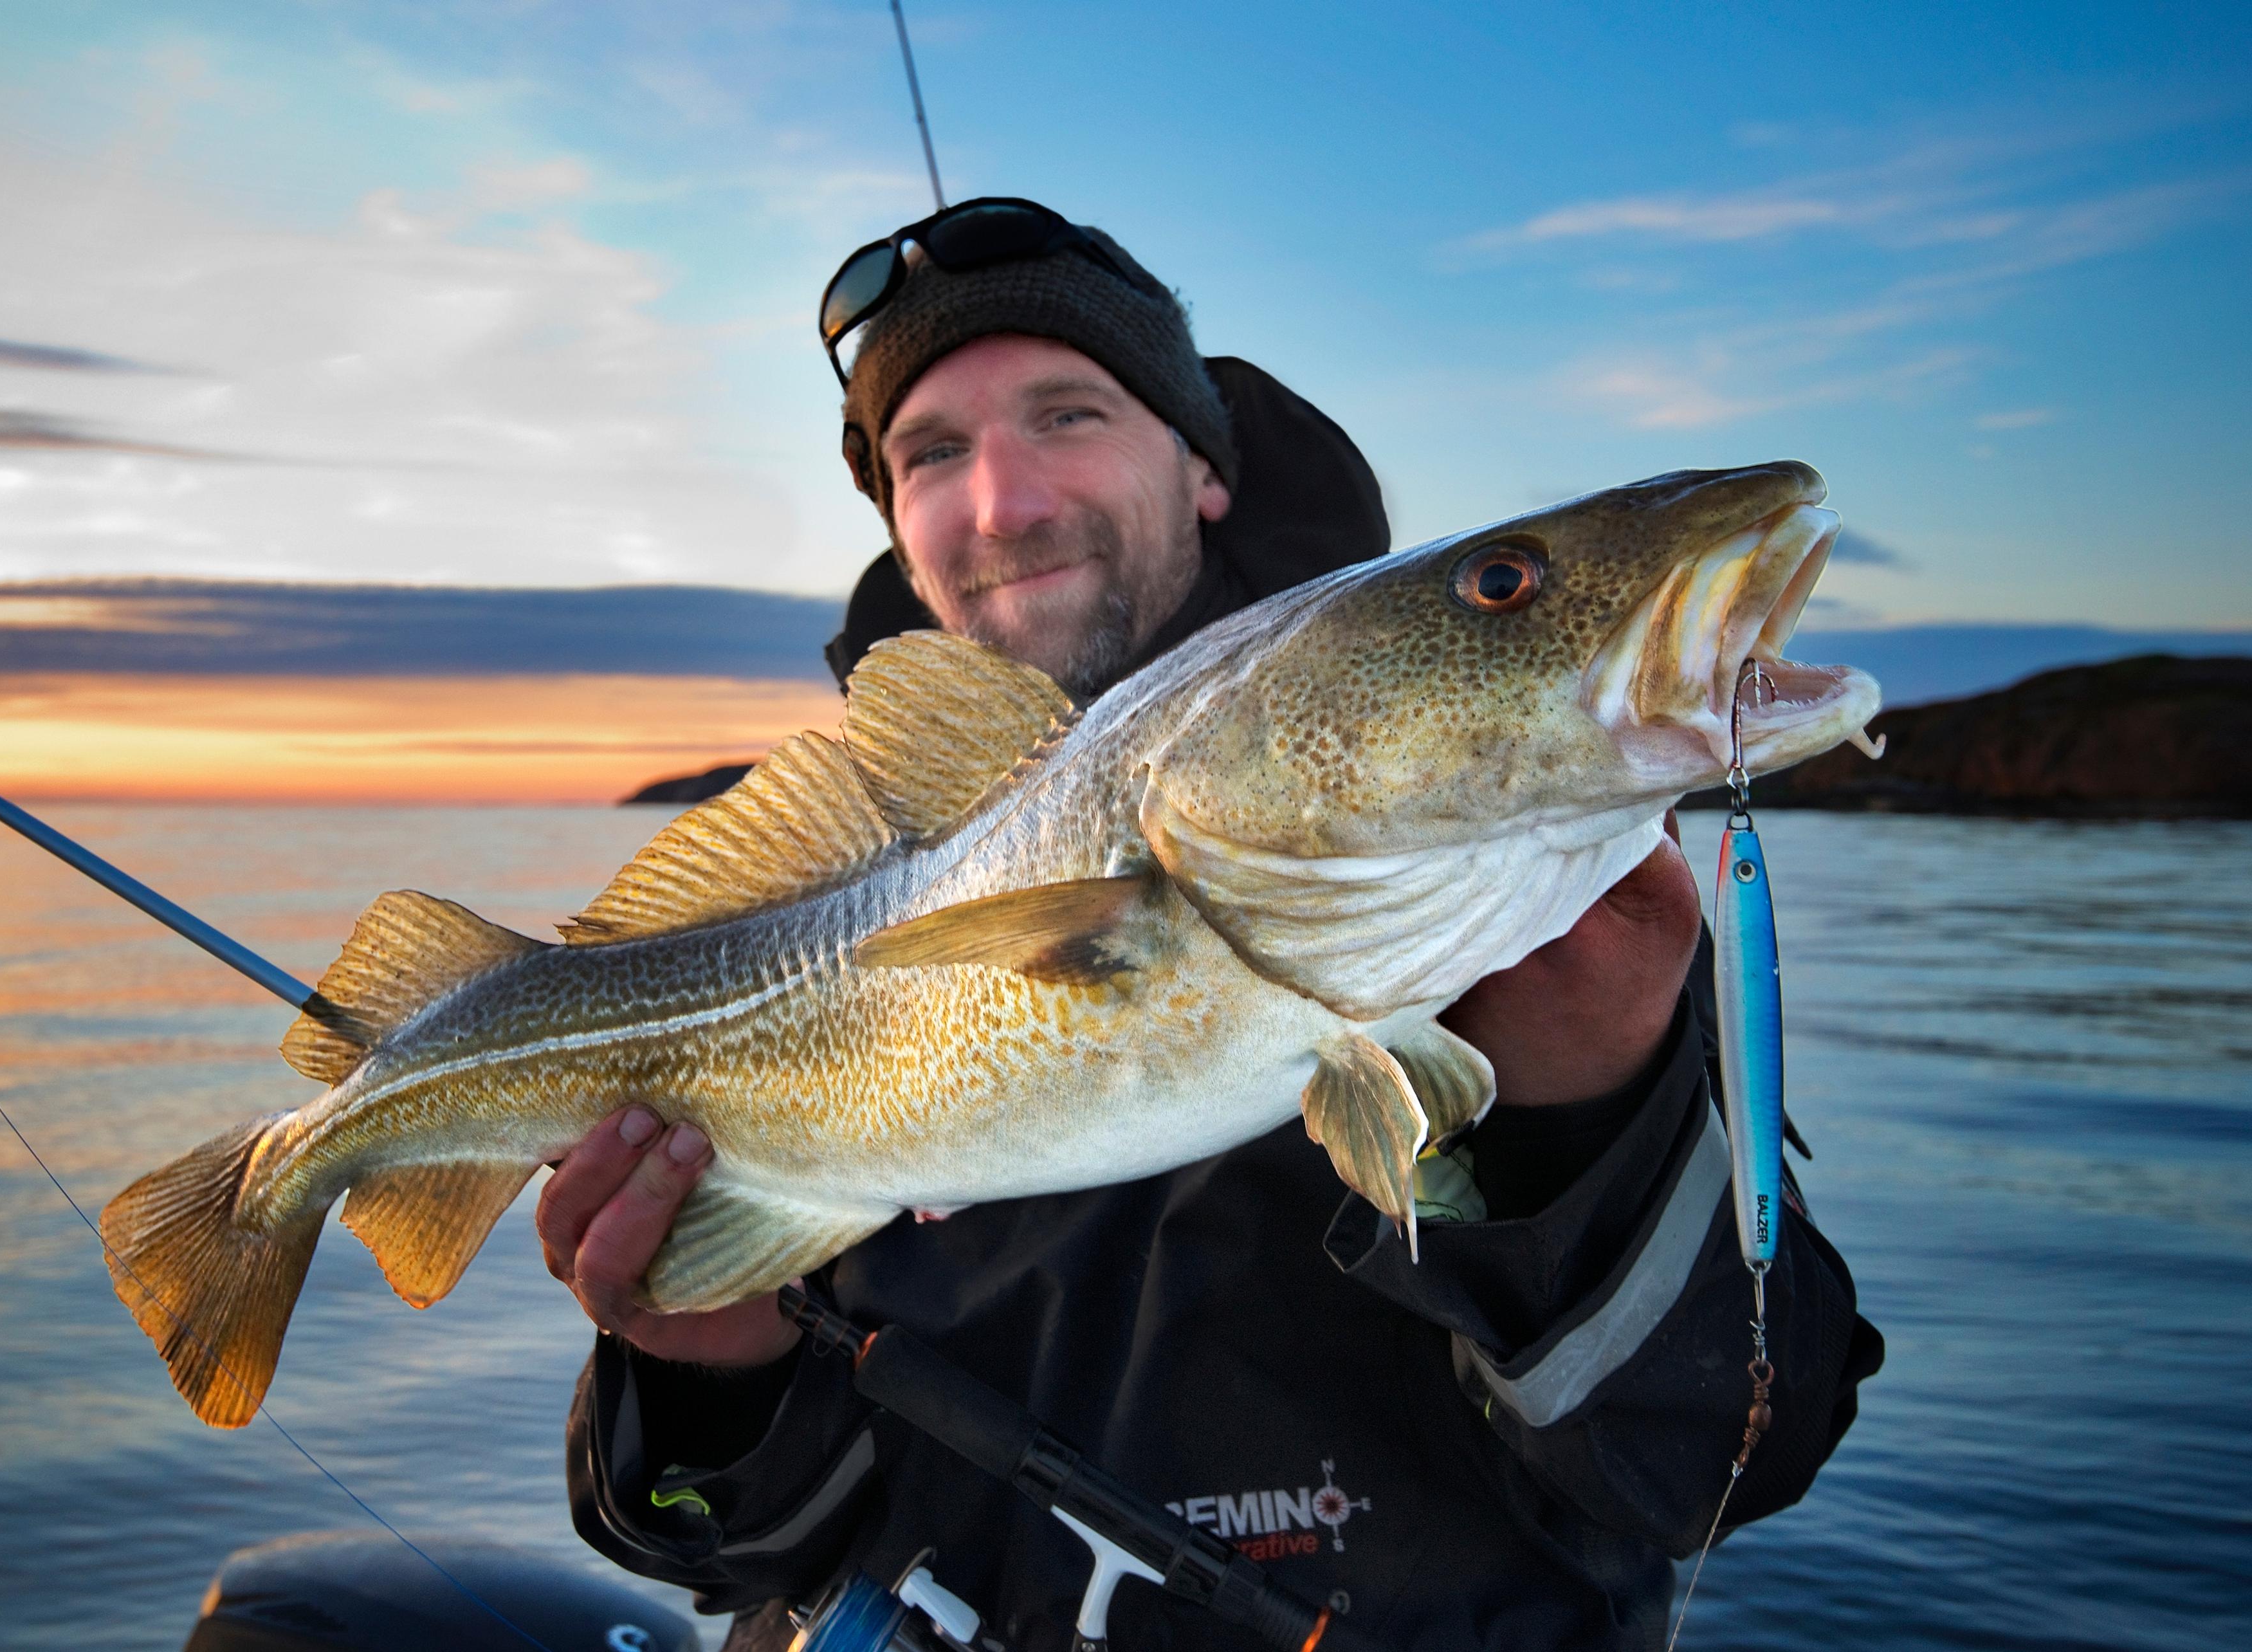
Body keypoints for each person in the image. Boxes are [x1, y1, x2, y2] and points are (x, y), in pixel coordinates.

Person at [539, 199, 1883, 1651]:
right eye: (933, 453)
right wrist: (700, 1369)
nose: (1004, 502)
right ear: (898, 531)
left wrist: (1583, 1126)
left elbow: (1731, 1458)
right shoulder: (810, 903)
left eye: (1069, 413)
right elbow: (717, 1548)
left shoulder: (1556, 887)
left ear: (1205, 469)